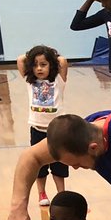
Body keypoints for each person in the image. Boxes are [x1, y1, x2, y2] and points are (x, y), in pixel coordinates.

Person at [17, 44, 70, 206]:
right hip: (37, 129)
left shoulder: (58, 80)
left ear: (51, 66)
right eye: (34, 65)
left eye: (43, 64)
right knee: (40, 166)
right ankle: (42, 193)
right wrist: (35, 56)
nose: (39, 68)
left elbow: (62, 60)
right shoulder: (30, 81)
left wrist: (49, 55)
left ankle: (62, 195)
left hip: (57, 130)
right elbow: (21, 59)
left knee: (59, 164)